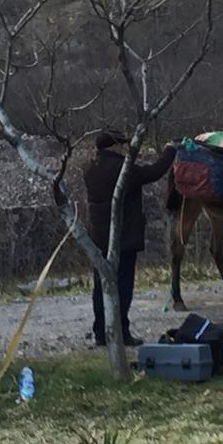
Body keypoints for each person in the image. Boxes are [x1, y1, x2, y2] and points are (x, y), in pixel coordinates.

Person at [83, 129, 177, 347]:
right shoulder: (122, 169)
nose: (125, 149)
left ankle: (101, 332)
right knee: (123, 287)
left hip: (98, 237)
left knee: (101, 286)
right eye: (122, 145)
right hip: (122, 237)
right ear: (114, 146)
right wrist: (170, 151)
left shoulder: (90, 168)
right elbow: (153, 172)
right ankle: (121, 332)